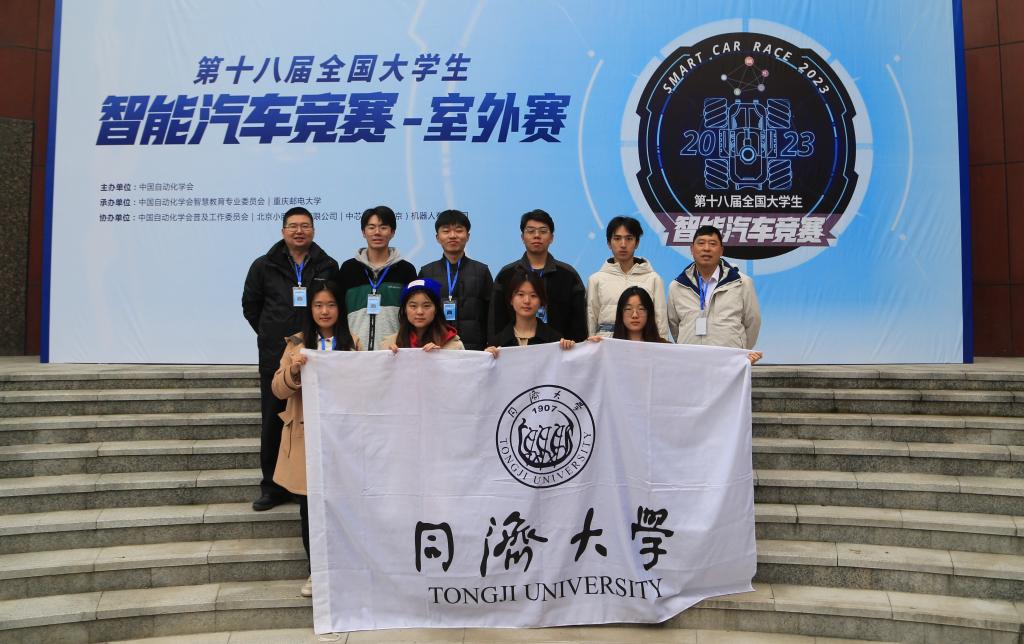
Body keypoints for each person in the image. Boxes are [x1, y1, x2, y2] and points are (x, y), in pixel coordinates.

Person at [242, 207, 338, 512]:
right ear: (283, 230)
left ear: (313, 230)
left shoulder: (327, 265)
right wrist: (272, 335)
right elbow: (251, 307)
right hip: (276, 356)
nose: (299, 231)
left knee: (312, 422)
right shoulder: (264, 265)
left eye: (305, 226)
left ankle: (304, 484)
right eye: (293, 226)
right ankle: (272, 487)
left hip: (317, 356)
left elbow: (332, 304)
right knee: (273, 420)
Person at [271, 280, 359, 597]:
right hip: (305, 435)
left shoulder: (352, 343)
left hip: (340, 440)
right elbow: (277, 390)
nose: (324, 311)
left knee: (341, 509)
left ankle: (344, 570)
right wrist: (293, 372)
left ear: (340, 309)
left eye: (331, 305)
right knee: (310, 509)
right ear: (310, 308)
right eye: (318, 305)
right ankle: (315, 572)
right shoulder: (296, 343)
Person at [489, 209, 587, 344]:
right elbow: (496, 319)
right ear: (522, 237)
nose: (537, 235)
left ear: (551, 238)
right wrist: (495, 345)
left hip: (560, 349)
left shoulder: (568, 275)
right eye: (530, 231)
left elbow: (579, 321)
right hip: (514, 349)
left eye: (543, 231)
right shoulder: (507, 274)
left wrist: (575, 348)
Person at [668, 225, 763, 363]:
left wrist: (740, 351)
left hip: (729, 362)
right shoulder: (677, 286)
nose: (706, 248)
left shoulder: (742, 283)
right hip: (690, 362)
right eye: (701, 243)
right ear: (692, 249)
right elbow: (674, 325)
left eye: (712, 244)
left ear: (721, 250)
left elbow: (753, 322)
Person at [335, 206, 417, 351]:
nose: (377, 232)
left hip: (393, 351)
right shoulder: (348, 269)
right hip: (355, 352)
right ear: (363, 232)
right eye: (371, 227)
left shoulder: (406, 270)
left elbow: (412, 314)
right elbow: (339, 311)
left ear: (392, 232)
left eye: (383, 227)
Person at [418, 209, 493, 350]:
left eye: (459, 230)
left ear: (468, 236)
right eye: (446, 231)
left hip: (474, 349)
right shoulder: (426, 272)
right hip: (435, 348)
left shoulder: (481, 271)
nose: (453, 236)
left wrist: (491, 343)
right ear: (437, 237)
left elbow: (492, 314)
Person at [586, 216, 668, 339]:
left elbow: (660, 322)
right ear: (609, 243)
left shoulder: (653, 279)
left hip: (642, 343)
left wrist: (661, 346)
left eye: (629, 239)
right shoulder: (596, 280)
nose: (623, 244)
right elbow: (590, 319)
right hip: (606, 343)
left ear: (637, 243)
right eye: (617, 238)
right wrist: (590, 345)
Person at [486, 269, 579, 354]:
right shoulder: (496, 343)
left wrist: (570, 351)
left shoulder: (555, 340)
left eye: (533, 295)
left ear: (541, 300)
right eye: (520, 294)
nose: (527, 301)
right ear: (511, 299)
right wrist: (486, 358)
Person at [383, 278, 465, 351]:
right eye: (413, 306)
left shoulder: (454, 346)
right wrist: (389, 358)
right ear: (405, 309)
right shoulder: (388, 345)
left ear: (436, 309)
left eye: (426, 306)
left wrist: (440, 356)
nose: (420, 312)